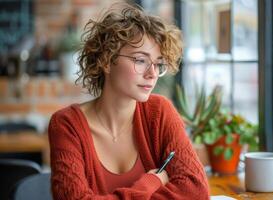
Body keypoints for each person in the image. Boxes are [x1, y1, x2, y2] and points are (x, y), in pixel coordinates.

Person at [48, 3, 210, 200]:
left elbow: (196, 191)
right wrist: (150, 184)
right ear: (106, 60)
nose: (152, 74)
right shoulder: (66, 125)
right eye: (140, 60)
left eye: (158, 64)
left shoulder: (160, 112)